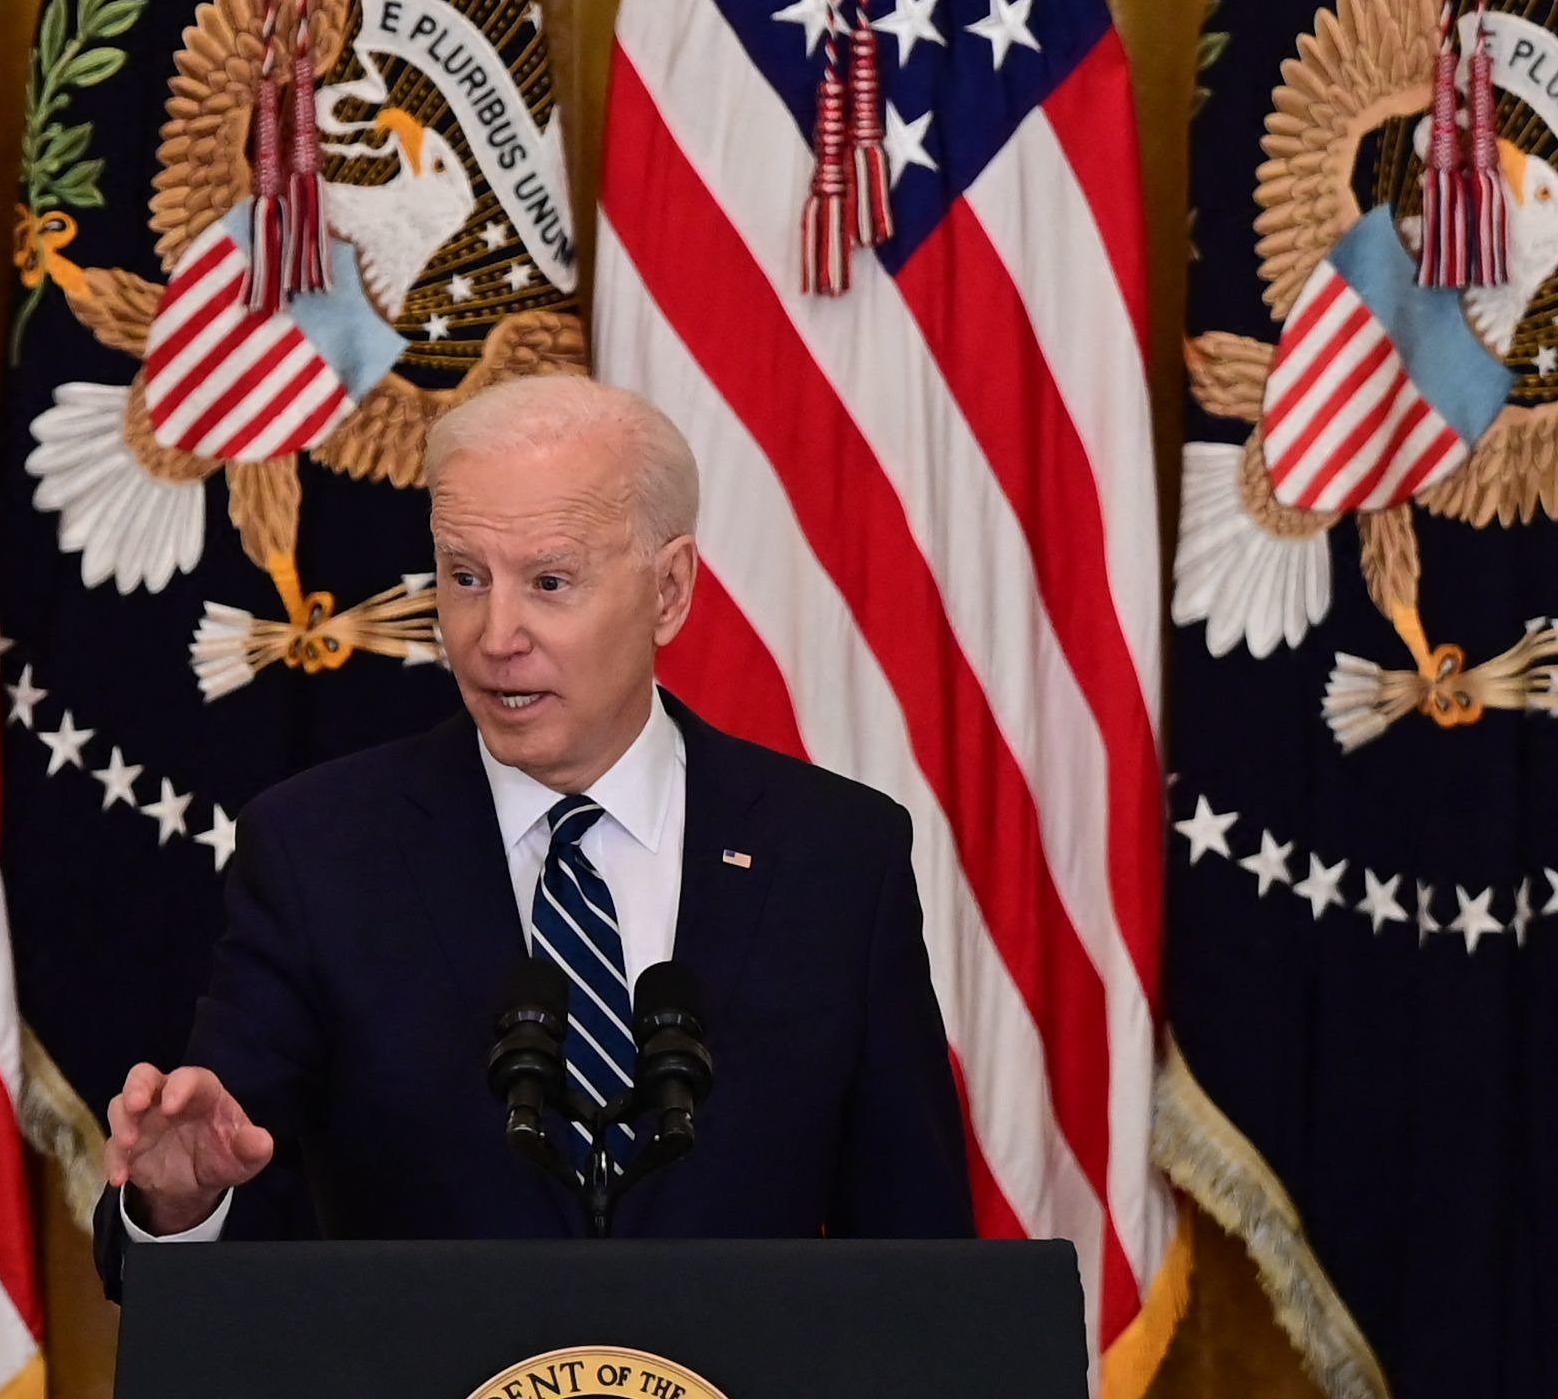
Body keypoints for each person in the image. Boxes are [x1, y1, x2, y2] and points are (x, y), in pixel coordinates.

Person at [95, 374, 976, 1273]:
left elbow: (920, 1265)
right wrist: (179, 1202)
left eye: (549, 582)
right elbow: (219, 1248)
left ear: (668, 591)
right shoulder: (317, 853)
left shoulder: (834, 858)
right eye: (464, 577)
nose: (493, 634)